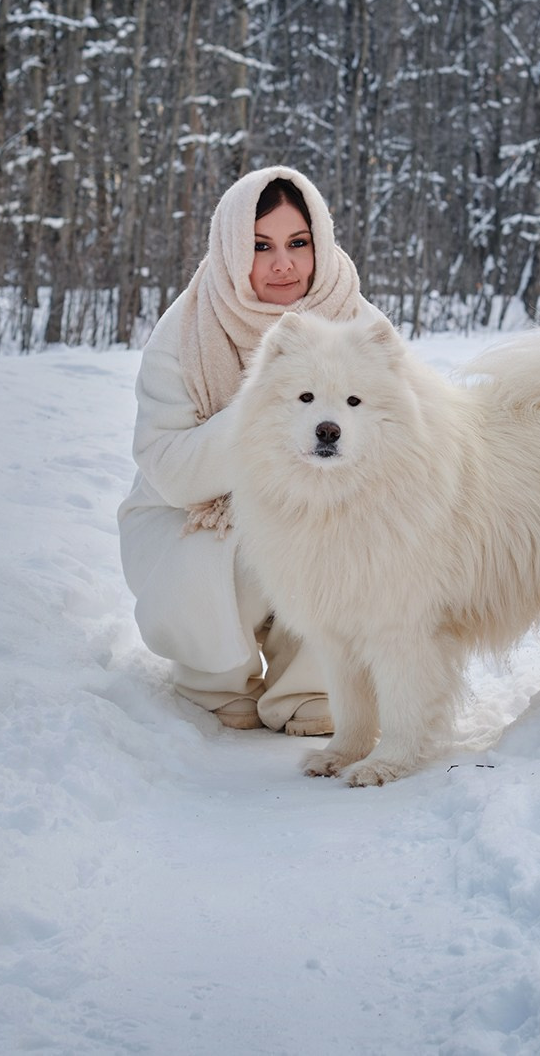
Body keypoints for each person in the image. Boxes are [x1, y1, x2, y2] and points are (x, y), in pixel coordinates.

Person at [117, 167, 371, 734]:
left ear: (321, 243)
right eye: (260, 246)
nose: (283, 263)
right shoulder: (186, 327)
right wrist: (267, 411)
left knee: (344, 534)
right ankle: (212, 679)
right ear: (232, 250)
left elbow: (402, 436)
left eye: (298, 243)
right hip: (189, 518)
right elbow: (172, 474)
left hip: (331, 507)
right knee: (255, 533)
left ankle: (313, 684)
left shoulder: (356, 320)